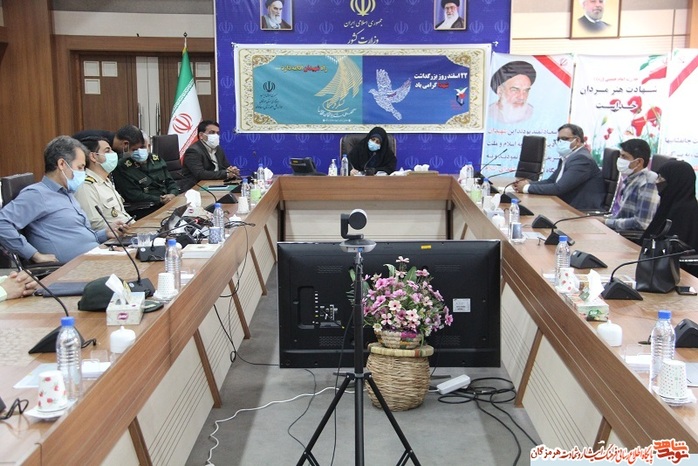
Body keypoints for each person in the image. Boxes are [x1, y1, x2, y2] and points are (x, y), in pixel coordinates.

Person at [0, 136, 125, 264]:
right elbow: (2, 223)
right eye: (80, 167)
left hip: (95, 256)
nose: (83, 172)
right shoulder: (37, 194)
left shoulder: (67, 193)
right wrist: (34, 255)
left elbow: (78, 235)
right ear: (61, 164)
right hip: (71, 268)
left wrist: (105, 233)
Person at [513, 124, 605, 210]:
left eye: (564, 139)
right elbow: (551, 181)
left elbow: (559, 188)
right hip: (566, 206)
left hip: (581, 211)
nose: (560, 142)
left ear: (577, 140)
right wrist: (529, 184)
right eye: (559, 139)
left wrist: (526, 188)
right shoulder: (568, 157)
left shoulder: (582, 159)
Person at [642, 160, 698, 275]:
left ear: (675, 181)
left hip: (679, 273)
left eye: (661, 178)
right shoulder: (669, 204)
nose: (657, 182)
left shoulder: (685, 211)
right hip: (657, 268)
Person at [603, 139, 659, 232]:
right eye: (620, 156)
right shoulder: (631, 179)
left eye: (624, 157)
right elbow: (622, 215)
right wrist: (604, 220)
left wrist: (607, 222)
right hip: (619, 233)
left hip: (630, 238)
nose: (620, 160)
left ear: (639, 162)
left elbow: (642, 223)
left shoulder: (648, 182)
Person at [74, 136, 130, 230]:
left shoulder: (106, 181)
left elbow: (122, 214)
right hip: (113, 236)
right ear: (93, 157)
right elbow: (95, 224)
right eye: (107, 151)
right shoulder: (86, 185)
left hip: (128, 230)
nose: (113, 153)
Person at [112, 138, 180, 210]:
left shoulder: (157, 160)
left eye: (142, 147)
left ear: (149, 146)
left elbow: (170, 181)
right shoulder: (123, 166)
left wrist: (173, 193)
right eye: (135, 149)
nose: (139, 151)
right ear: (128, 149)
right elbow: (133, 195)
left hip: (168, 202)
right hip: (146, 207)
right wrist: (159, 199)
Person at [180, 120, 240, 191]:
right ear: (201, 135)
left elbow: (225, 167)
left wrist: (232, 172)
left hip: (215, 186)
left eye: (217, 133)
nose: (216, 136)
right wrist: (226, 173)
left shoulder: (218, 149)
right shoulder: (193, 151)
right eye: (212, 132)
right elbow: (200, 174)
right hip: (195, 189)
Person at [487, 61, 536, 125]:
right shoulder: (488, 113)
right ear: (500, 91)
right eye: (515, 90)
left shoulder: (533, 113)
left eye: (526, 90)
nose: (521, 97)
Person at [73, 124, 144, 156]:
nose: (133, 153)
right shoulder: (96, 142)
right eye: (134, 150)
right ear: (125, 144)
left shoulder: (115, 147)